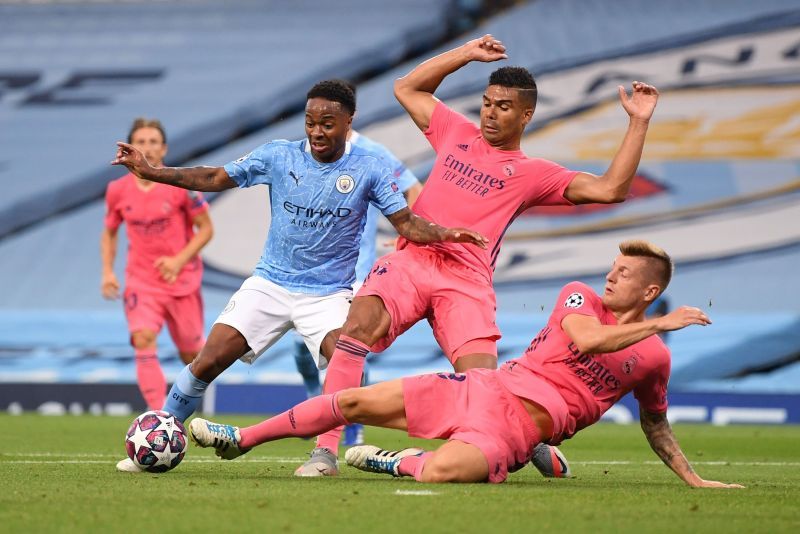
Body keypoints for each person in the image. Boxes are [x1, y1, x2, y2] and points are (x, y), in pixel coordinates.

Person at [298, 34, 661, 476]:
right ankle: (325, 451)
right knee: (353, 334)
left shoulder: (533, 174)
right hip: (413, 262)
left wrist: (638, 121)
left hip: (465, 282)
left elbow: (611, 189)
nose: (490, 112)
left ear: (526, 115)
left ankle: (524, 442)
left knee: (485, 385)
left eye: (503, 107)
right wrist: (466, 54)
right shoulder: (455, 131)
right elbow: (407, 88)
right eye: (487, 103)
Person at [111, 80, 487, 473]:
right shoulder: (279, 155)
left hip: (327, 295)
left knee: (346, 362)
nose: (317, 131)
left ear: (348, 121)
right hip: (270, 284)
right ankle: (158, 435)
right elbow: (215, 177)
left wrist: (445, 234)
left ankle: (325, 455)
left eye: (327, 123)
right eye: (310, 122)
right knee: (207, 361)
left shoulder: (369, 168)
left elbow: (406, 223)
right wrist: (152, 172)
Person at [189, 240, 743, 489]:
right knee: (355, 400)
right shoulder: (580, 298)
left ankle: (395, 461)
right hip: (483, 386)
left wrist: (693, 479)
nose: (611, 275)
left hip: (519, 429)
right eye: (614, 266)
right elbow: (589, 340)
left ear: (650, 289)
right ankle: (242, 439)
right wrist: (658, 323)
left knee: (447, 472)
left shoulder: (653, 358)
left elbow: (656, 424)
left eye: (625, 272)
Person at [291, 80, 423, 447]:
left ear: (348, 116)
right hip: (307, 274)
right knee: (301, 353)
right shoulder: (303, 151)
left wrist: (407, 234)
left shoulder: (373, 153)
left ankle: (350, 422)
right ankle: (316, 399)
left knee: (347, 349)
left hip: (354, 274)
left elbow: (415, 190)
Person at [101, 118, 213, 413]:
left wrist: (178, 260)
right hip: (142, 281)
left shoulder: (181, 184)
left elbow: (206, 229)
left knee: (192, 353)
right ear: (129, 147)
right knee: (143, 338)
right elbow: (110, 231)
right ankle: (157, 415)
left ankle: (187, 407)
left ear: (164, 148)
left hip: (182, 281)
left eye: (153, 141)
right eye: (140, 141)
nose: (147, 147)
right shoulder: (117, 190)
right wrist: (108, 271)